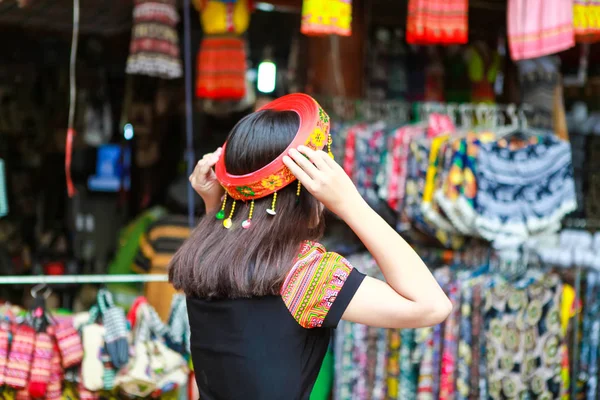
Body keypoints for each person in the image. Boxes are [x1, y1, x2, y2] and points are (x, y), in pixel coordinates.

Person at [169, 94, 452, 399]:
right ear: (303, 190)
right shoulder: (303, 274)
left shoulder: (201, 256)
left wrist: (216, 203)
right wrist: (351, 203)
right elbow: (432, 306)